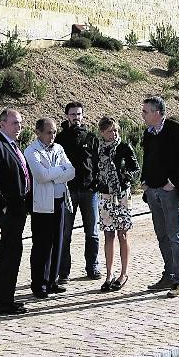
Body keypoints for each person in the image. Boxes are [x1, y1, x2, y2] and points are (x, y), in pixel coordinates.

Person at [140, 96, 179, 298]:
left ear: (157, 113)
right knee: (162, 235)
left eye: (145, 111)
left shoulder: (177, 129)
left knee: (175, 235)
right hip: (153, 192)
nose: (143, 115)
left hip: (170, 191)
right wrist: (144, 182)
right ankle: (168, 274)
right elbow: (147, 159)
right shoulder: (148, 133)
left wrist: (172, 183)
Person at [0, 108, 31, 315]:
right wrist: (2, 205)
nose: (18, 127)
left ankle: (4, 297)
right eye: (14, 123)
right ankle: (3, 302)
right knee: (9, 253)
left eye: (20, 123)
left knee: (11, 252)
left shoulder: (13, 145)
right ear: (2, 124)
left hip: (19, 208)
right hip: (9, 210)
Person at [24, 117, 75, 298]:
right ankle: (39, 284)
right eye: (48, 132)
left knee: (58, 242)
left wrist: (53, 174)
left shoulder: (59, 148)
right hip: (42, 205)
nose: (52, 136)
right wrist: (58, 173)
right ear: (38, 133)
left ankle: (52, 281)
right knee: (42, 245)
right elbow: (41, 176)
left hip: (59, 200)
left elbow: (71, 171)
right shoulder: (31, 151)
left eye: (54, 132)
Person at [56, 101, 102, 282]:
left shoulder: (91, 137)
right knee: (65, 233)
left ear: (83, 116)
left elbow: (98, 162)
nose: (76, 117)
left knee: (92, 232)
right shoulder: (59, 139)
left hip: (89, 192)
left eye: (79, 114)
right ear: (67, 116)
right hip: (68, 192)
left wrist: (96, 182)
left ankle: (92, 267)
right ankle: (63, 272)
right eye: (73, 114)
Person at [95, 116, 139, 292]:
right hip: (105, 197)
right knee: (108, 235)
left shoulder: (124, 147)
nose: (114, 134)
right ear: (102, 132)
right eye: (110, 131)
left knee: (123, 235)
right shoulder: (98, 149)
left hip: (121, 196)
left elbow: (135, 169)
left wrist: (126, 176)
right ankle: (109, 275)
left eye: (116, 130)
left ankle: (124, 274)